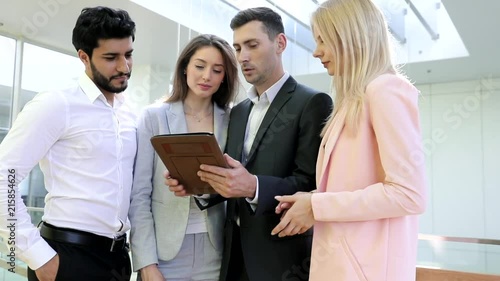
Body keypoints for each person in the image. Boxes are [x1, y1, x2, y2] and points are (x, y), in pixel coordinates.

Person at [167, 7, 333, 281]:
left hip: (282, 262)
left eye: (252, 45)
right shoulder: (239, 110)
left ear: (280, 43)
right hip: (233, 259)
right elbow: (233, 179)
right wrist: (199, 187)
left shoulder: (312, 103)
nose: (242, 56)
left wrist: (254, 187)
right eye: (237, 47)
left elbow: (311, 184)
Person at [271, 0, 428, 280]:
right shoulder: (352, 101)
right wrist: (311, 199)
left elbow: (409, 195)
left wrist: (318, 206)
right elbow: (355, 185)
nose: (316, 51)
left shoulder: (385, 90)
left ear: (351, 37)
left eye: (323, 40)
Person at [0, 6, 136, 281]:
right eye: (111, 57)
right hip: (66, 259)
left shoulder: (130, 112)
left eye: (128, 54)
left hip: (119, 259)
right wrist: (38, 257)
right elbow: (4, 176)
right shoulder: (56, 104)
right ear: (84, 57)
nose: (124, 66)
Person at [128, 34, 238, 281]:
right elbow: (139, 194)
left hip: (216, 251)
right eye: (200, 66)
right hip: (164, 254)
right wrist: (146, 263)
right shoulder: (153, 117)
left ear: (225, 77)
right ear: (185, 67)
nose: (207, 76)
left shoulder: (233, 120)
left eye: (217, 70)